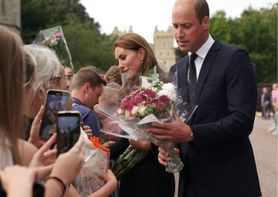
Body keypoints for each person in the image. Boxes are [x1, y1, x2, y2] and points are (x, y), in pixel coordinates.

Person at [147, 0, 261, 197]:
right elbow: (181, 123)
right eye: (175, 26)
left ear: (205, 22)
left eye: (186, 26)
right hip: (189, 185)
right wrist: (170, 148)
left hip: (230, 184)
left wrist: (190, 133)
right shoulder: (177, 69)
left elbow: (242, 121)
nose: (178, 34)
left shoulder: (234, 58)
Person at [110, 32, 175, 197]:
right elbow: (129, 138)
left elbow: (174, 139)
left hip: (154, 179)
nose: (120, 64)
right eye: (118, 60)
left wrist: (150, 147)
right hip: (131, 178)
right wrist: (101, 149)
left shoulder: (162, 88)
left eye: (123, 57)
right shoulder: (128, 89)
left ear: (141, 53)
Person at [71, 66, 107, 137]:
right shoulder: (87, 114)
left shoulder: (58, 109)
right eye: (97, 95)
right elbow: (94, 147)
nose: (97, 102)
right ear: (87, 88)